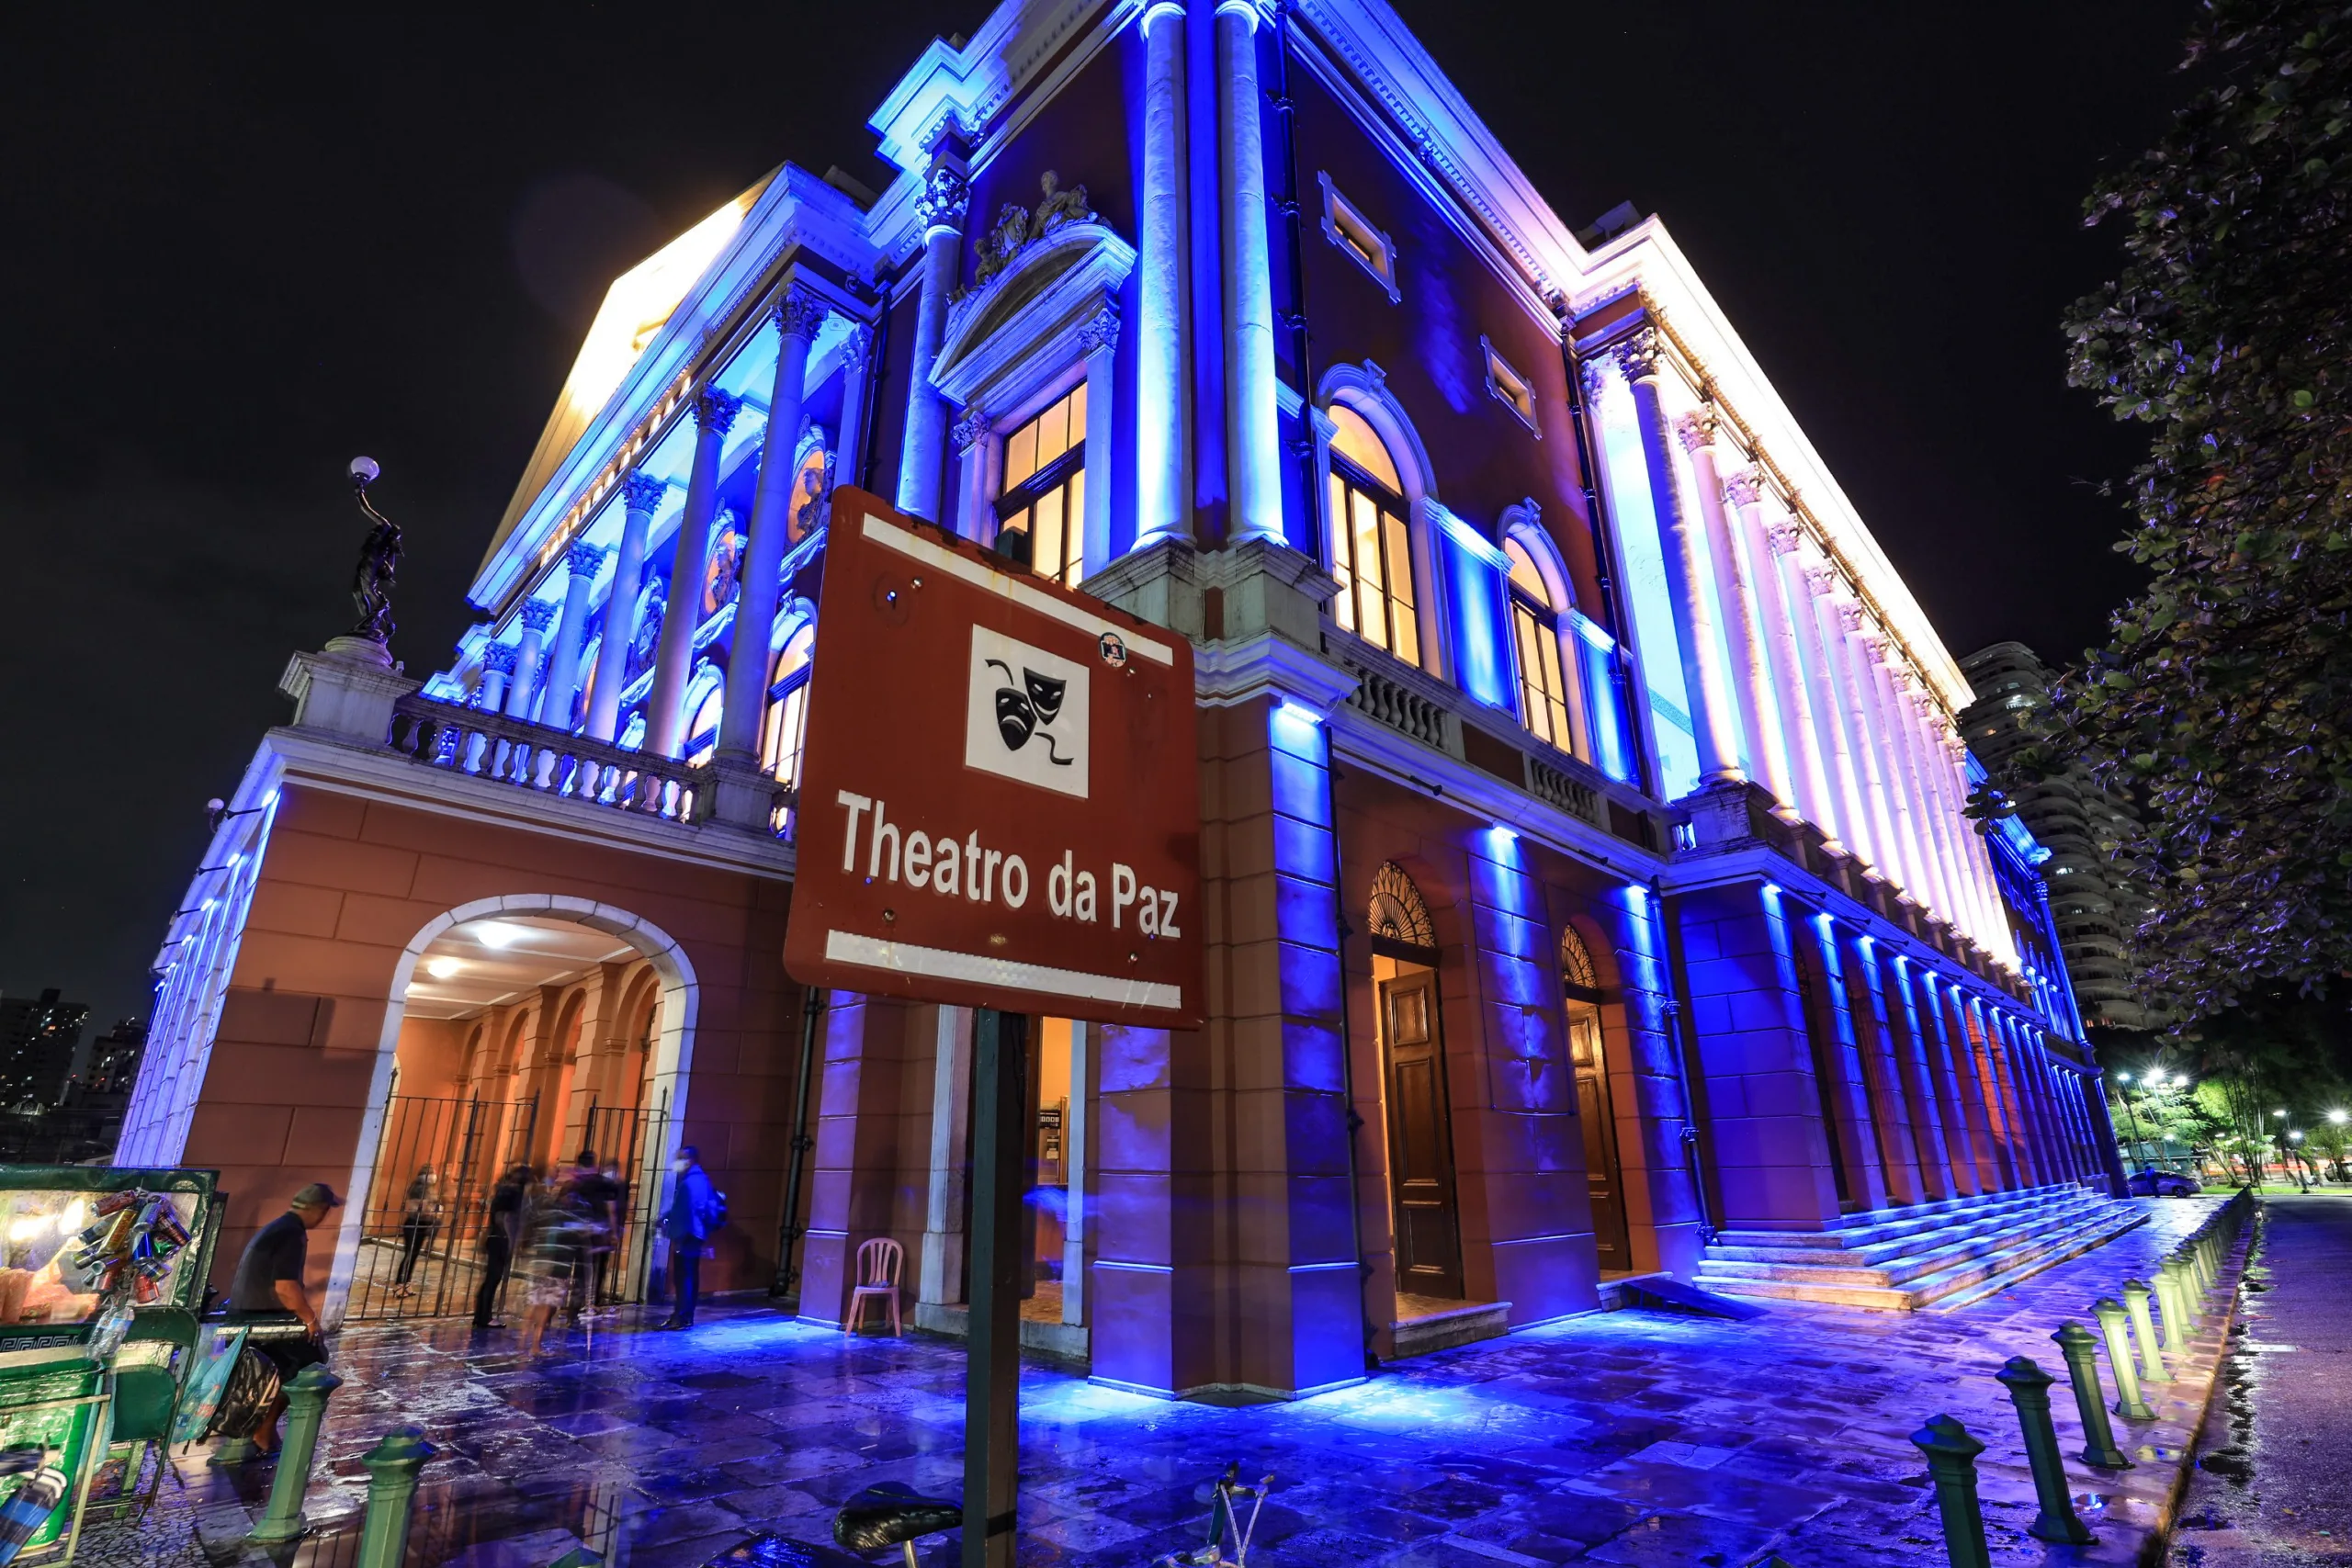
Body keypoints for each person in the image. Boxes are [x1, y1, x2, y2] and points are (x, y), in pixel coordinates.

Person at [226, 1182, 341, 1453]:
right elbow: (286, 1288)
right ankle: (263, 1431)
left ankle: (260, 1428)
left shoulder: (280, 1226)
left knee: (297, 1361)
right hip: (261, 1316)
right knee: (309, 1360)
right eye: (325, 1211)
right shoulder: (291, 1233)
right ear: (318, 1210)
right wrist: (310, 1320)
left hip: (249, 1312)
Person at [516, 1184, 593, 1359]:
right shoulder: (565, 1216)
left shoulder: (550, 1212)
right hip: (554, 1266)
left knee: (540, 1305)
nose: (572, 1201)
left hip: (546, 1264)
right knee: (540, 1306)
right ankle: (531, 1345)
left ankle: (529, 1345)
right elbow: (577, 1234)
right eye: (570, 1197)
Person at [658, 1145, 722, 1329]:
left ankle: (681, 1317)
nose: (676, 1163)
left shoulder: (689, 1182)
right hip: (696, 1233)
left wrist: (669, 1229)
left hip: (687, 1234)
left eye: (679, 1158)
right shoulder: (701, 1179)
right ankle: (685, 1316)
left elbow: (684, 1211)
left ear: (689, 1160)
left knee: (684, 1277)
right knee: (690, 1276)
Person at [472, 1164, 530, 1331]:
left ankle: (481, 1316)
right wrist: (511, 1240)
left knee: (489, 1279)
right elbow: (504, 1217)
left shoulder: (502, 1190)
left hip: (494, 1237)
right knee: (493, 1279)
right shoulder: (514, 1193)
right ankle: (485, 1318)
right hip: (501, 1239)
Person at [391, 1165, 441, 1294]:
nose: (434, 1176)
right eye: (431, 1173)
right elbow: (419, 1207)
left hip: (422, 1224)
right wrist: (434, 1210)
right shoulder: (419, 1188)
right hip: (414, 1224)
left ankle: (407, 1284)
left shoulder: (429, 1189)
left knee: (413, 1256)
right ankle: (399, 1284)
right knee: (410, 1254)